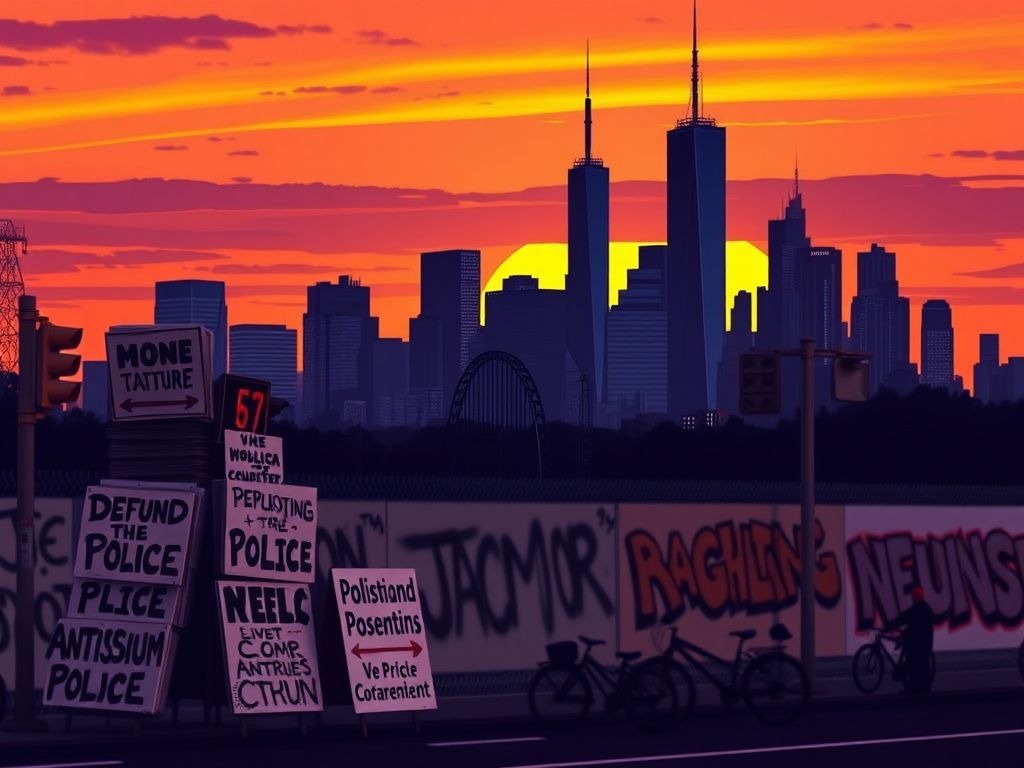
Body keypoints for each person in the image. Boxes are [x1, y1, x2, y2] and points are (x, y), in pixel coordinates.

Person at [887, 586, 935, 694]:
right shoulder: (927, 609)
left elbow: (902, 618)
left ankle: (913, 687)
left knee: (912, 662)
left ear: (914, 597)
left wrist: (889, 625)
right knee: (922, 667)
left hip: (916, 645)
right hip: (926, 645)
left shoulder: (915, 610)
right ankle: (923, 688)